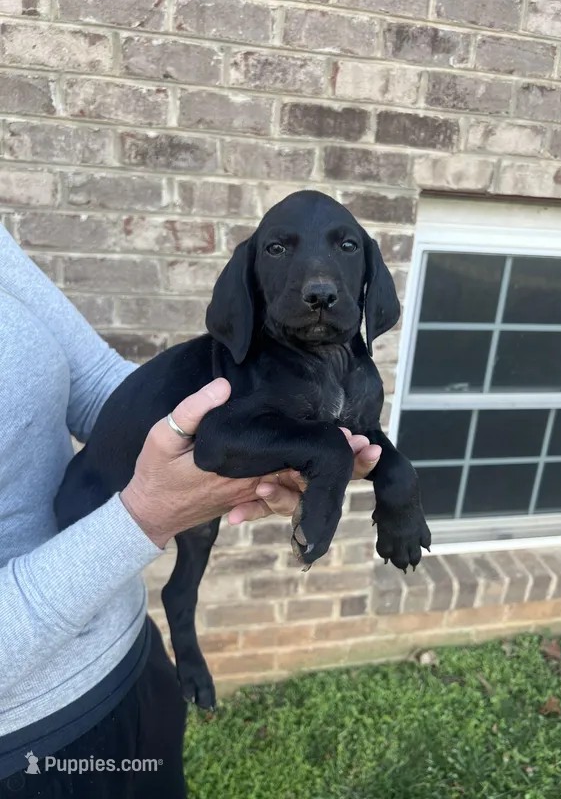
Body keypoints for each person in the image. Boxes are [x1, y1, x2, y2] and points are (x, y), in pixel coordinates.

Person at [0, 224, 382, 798]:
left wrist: (251, 435)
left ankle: (185, 653)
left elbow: (100, 383)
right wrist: (146, 514)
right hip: (28, 748)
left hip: (131, 654)